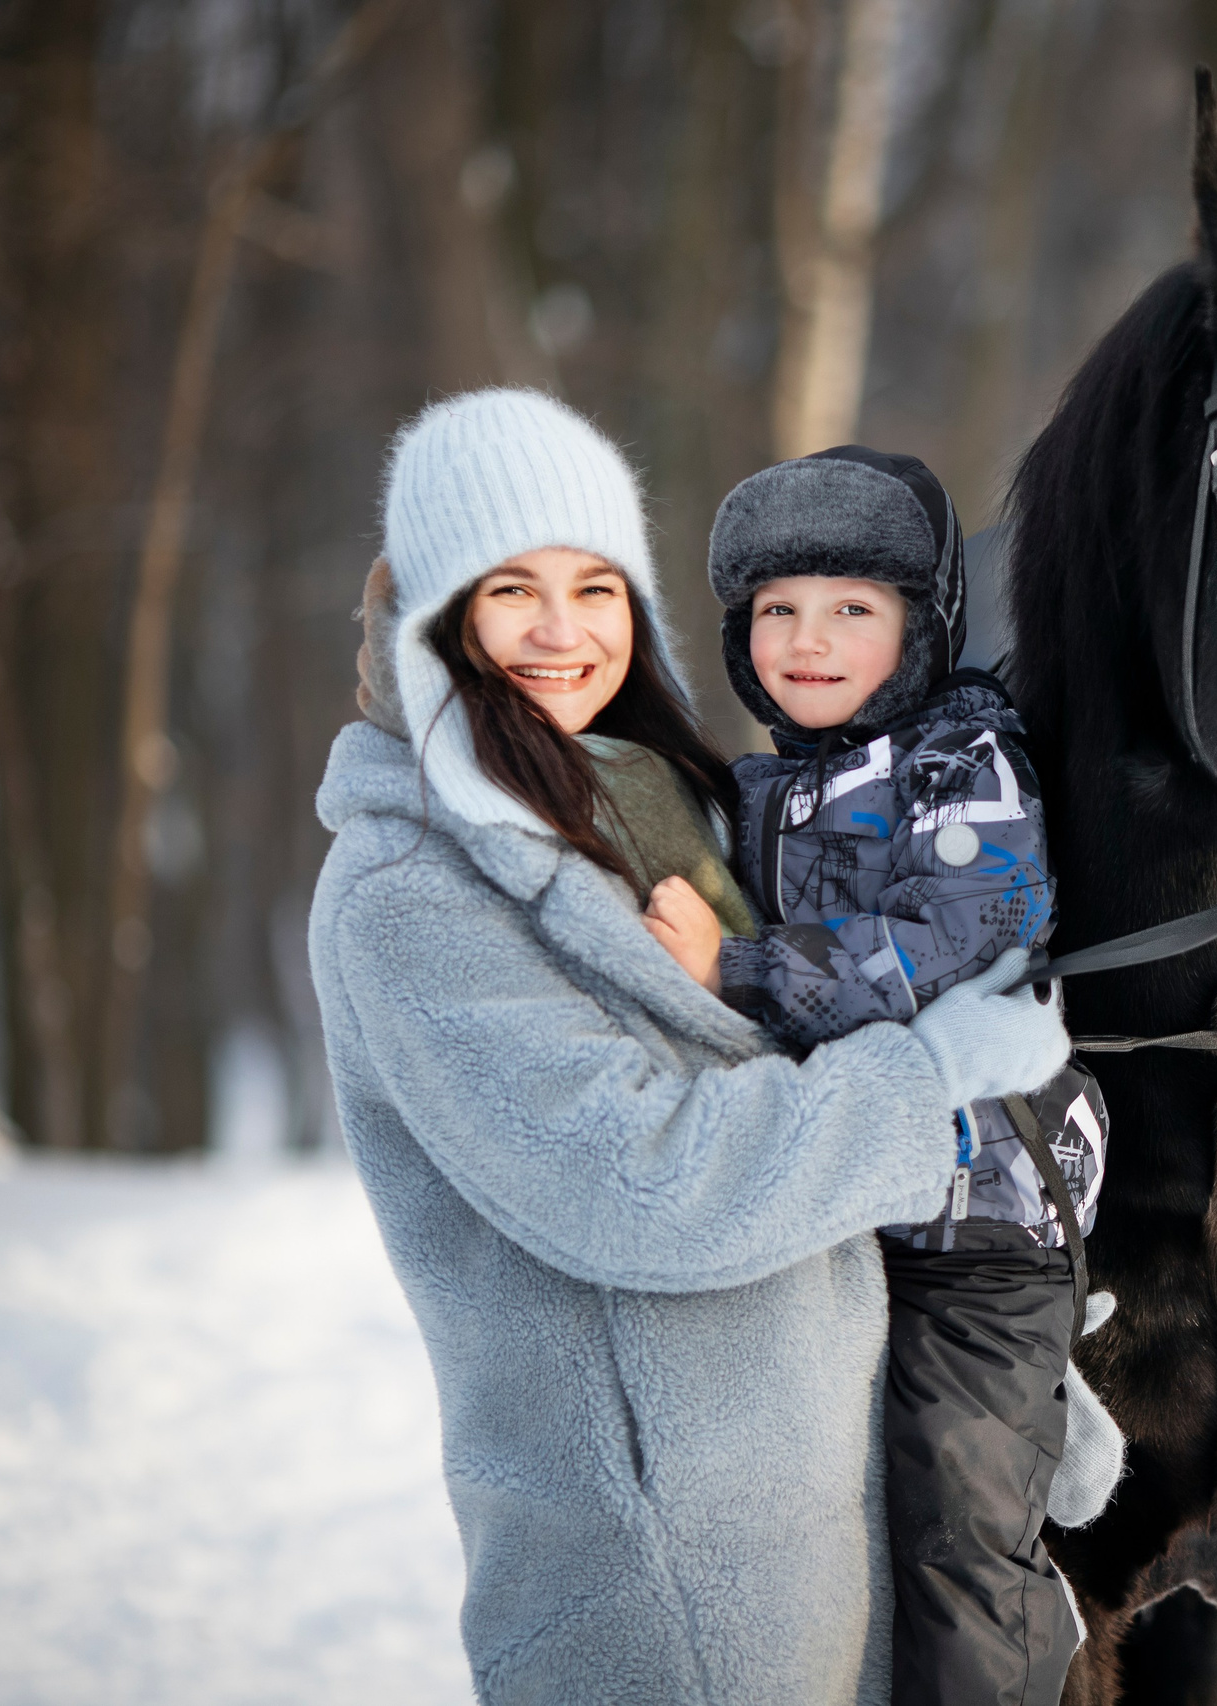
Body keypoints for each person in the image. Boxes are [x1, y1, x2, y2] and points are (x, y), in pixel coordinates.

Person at [308, 388, 1074, 1706]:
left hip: (833, 1523)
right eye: (511, 590)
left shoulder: (659, 808)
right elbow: (644, 1182)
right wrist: (928, 1080)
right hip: (664, 1587)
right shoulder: (412, 894)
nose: (563, 631)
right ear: (439, 614)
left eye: (597, 587)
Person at [639, 446, 1107, 1706]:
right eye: (777, 609)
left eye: (852, 607)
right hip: (834, 1219)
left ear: (922, 624)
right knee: (815, 1541)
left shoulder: (962, 760)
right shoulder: (755, 792)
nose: (809, 638)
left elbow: (952, 928)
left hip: (981, 1224)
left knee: (956, 1524)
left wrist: (737, 965)